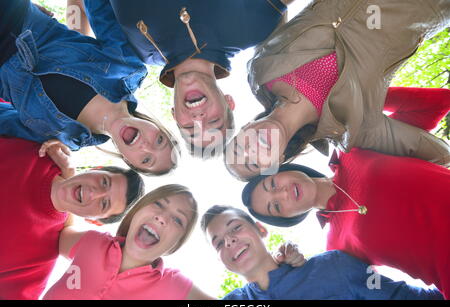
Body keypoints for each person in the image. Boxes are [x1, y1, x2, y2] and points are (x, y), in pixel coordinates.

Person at [225, 0, 450, 179]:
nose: (250, 149)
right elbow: (440, 155)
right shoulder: (355, 129)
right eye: (253, 162)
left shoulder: (262, 67)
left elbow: (273, 6)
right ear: (279, 160)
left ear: (245, 127)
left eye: (238, 146)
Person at [85, 0, 293, 157]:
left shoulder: (132, 53)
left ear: (175, 115)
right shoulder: (250, 29)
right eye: (213, 121)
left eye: (190, 128)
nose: (198, 118)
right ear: (229, 102)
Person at [0, 0, 179, 175]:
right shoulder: (127, 68)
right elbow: (97, 5)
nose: (146, 146)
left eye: (146, 159)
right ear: (156, 126)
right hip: (13, 16)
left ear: (127, 160)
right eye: (159, 140)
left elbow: (4, 120)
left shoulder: (64, 139)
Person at [0, 136, 145, 300]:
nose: (93, 192)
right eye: (104, 182)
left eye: (104, 204)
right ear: (95, 168)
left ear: (94, 221)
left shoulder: (39, 261)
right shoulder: (39, 151)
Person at [201, 206, 443, 300]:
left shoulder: (333, 266)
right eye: (218, 243)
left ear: (261, 229)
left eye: (236, 228)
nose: (229, 240)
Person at [43, 184, 216, 300]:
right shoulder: (93, 242)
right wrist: (67, 177)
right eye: (159, 204)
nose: (162, 218)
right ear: (137, 211)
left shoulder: (174, 286)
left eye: (178, 220)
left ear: (176, 244)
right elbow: (63, 233)